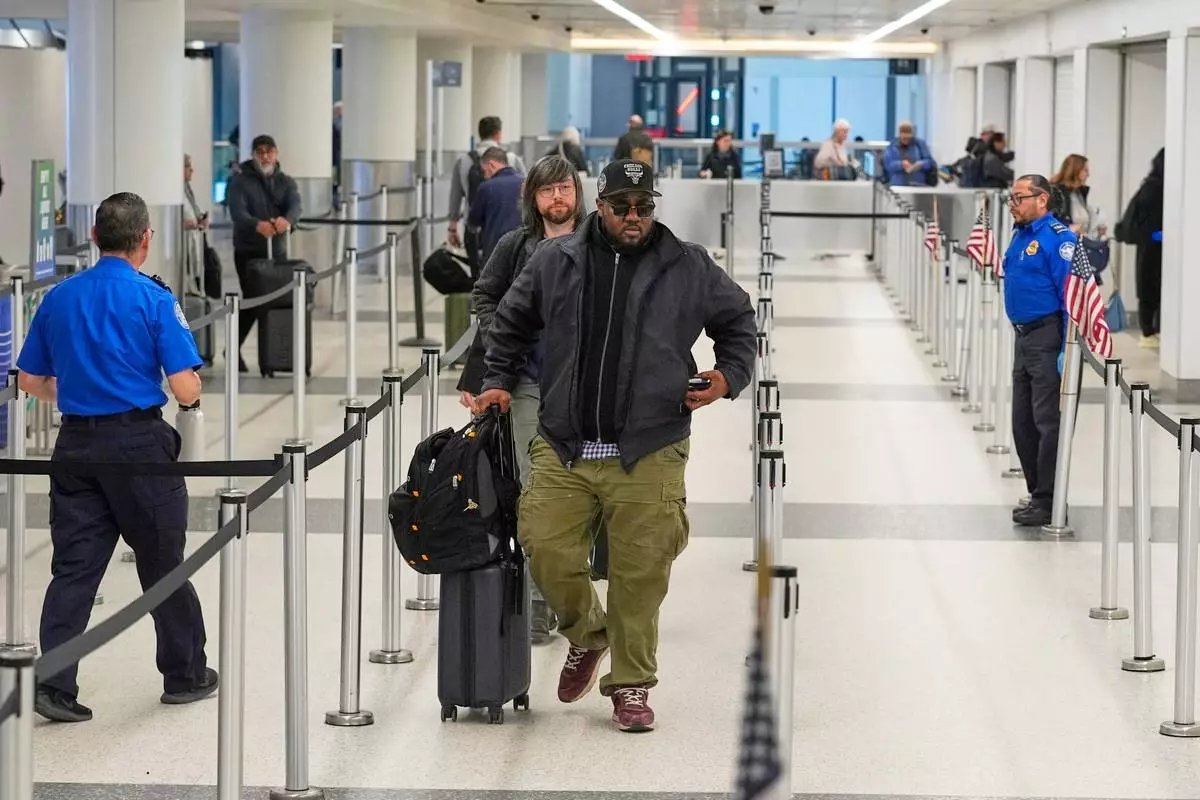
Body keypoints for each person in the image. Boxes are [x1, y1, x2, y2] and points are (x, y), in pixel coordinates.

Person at [473, 159, 757, 732]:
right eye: (621, 206)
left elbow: (739, 320)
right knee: (544, 546)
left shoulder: (688, 264)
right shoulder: (555, 259)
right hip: (565, 439)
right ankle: (588, 633)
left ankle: (631, 684)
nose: (633, 216)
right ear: (599, 206)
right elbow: (509, 321)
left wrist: (729, 376)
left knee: (640, 571)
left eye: (643, 206)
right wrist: (497, 379)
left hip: (651, 443)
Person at [17, 192, 215, 722]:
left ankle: (54, 684)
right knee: (162, 561)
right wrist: (190, 398)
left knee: (75, 567)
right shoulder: (153, 298)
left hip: (75, 447)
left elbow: (30, 379)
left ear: (94, 237)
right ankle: (184, 675)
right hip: (139, 447)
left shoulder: (59, 297)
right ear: (146, 238)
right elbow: (185, 387)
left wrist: (80, 394)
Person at [457, 154, 595, 643]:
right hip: (529, 383)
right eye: (547, 190)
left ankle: (575, 587)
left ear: (577, 192)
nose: (557, 197)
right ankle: (540, 600)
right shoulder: (515, 246)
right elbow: (484, 296)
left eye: (564, 188)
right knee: (537, 490)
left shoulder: (599, 244)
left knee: (587, 489)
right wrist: (504, 333)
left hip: (590, 387)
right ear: (533, 198)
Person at [1003, 175, 1080, 527]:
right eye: (1011, 198)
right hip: (1023, 339)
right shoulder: (1020, 234)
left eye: (1019, 197)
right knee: (1022, 422)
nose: (1013, 204)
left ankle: (1049, 499)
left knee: (1047, 421)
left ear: (1042, 199)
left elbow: (1071, 297)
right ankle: (1037, 492)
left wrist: (1066, 349)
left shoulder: (1059, 240)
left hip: (1047, 337)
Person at [225, 134, 302, 372]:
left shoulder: (286, 182)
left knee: (274, 301)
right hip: (248, 251)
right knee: (253, 300)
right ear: (253, 155)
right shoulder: (240, 181)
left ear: (276, 154)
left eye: (270, 151)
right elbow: (237, 212)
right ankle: (233, 347)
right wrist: (257, 225)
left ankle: (272, 355)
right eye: (260, 152)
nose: (265, 156)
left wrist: (287, 221)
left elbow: (295, 206)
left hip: (277, 252)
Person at [447, 116, 527, 271]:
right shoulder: (512, 159)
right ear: (498, 134)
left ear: (480, 134)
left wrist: (452, 227)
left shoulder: (463, 161)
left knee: (479, 275)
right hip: (513, 229)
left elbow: (455, 196)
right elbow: (528, 191)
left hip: (474, 230)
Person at [1115, 149, 1164, 347]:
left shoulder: (1151, 186)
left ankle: (1150, 330)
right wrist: (1161, 236)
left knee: (1150, 287)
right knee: (1150, 287)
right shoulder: (1155, 190)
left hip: (1151, 247)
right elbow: (1149, 226)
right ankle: (1148, 332)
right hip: (1152, 248)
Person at [467, 147, 524, 265]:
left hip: (494, 253)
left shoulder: (486, 187)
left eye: (484, 171)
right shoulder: (527, 184)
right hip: (523, 252)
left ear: (491, 165)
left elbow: (473, 221)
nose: (485, 176)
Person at [882, 121, 935, 186]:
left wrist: (921, 164)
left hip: (918, 185)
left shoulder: (919, 144)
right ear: (900, 135)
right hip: (898, 185)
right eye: (904, 138)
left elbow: (930, 162)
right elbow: (888, 165)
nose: (906, 140)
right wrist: (901, 164)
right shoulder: (892, 146)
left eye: (908, 138)